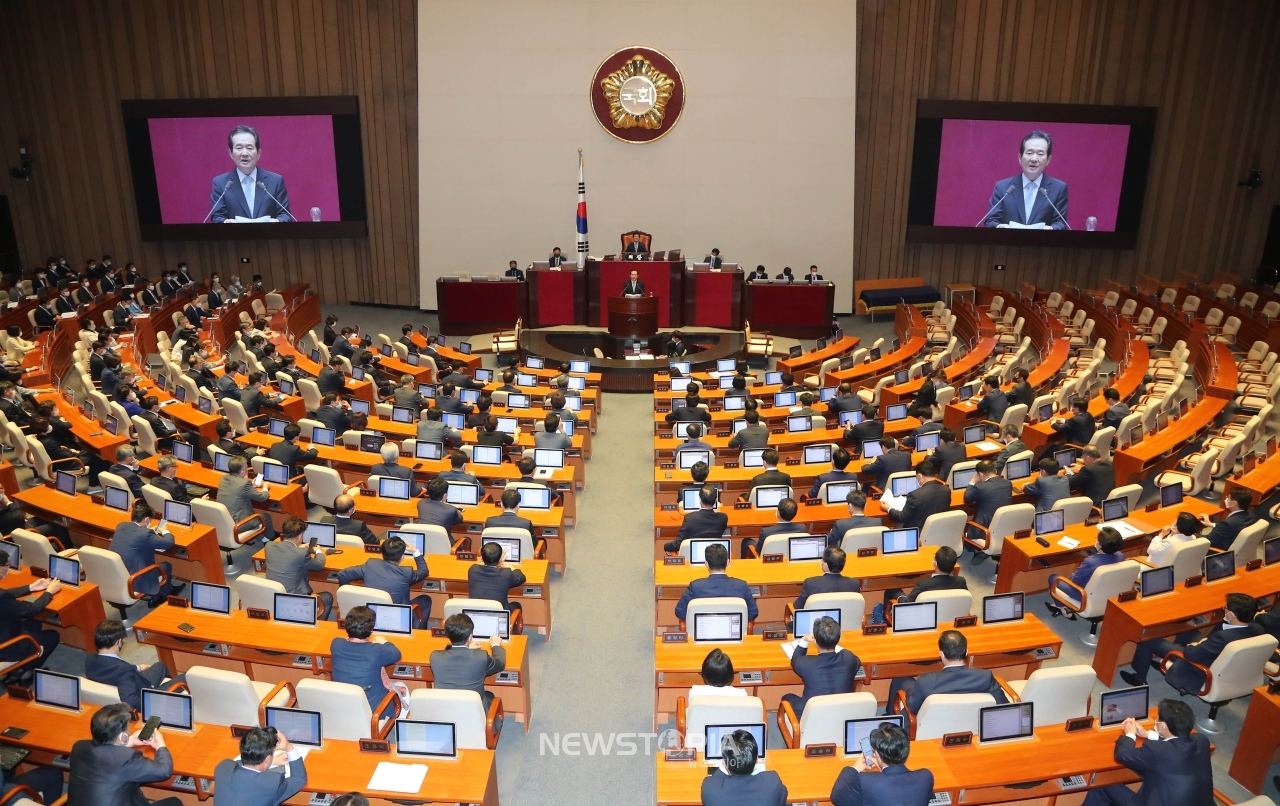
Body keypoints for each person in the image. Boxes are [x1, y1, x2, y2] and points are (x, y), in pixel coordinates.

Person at [1081, 699, 1211, 806]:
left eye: (1158, 719)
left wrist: (1130, 734)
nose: (1156, 720)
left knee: (1101, 786)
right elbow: (1178, 743)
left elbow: (1122, 755)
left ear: (1164, 726)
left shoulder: (1158, 750)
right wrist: (1147, 734)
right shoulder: (1202, 741)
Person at [1121, 593, 1260, 693]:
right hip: (1217, 656)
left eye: (1226, 608)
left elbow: (1191, 654)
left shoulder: (1223, 638)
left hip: (1199, 664)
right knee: (1187, 631)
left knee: (1147, 640)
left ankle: (1139, 678)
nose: (1224, 608)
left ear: (1232, 615)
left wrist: (1194, 646)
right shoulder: (1257, 628)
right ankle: (1167, 660)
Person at [67, 702, 182, 806]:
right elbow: (164, 771)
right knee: (175, 803)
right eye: (127, 729)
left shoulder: (79, 746)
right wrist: (160, 745)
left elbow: (106, 758)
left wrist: (128, 741)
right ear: (122, 736)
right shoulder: (127, 759)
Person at [888, 629, 1008, 714]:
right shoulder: (985, 677)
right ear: (966, 652)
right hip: (971, 728)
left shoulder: (926, 681)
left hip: (931, 728)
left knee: (901, 680)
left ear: (941, 654)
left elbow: (912, 707)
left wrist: (910, 692)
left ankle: (889, 718)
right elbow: (1004, 705)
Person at [336, 535, 431, 628]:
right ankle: (420, 633)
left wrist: (347, 598)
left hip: (369, 615)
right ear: (402, 557)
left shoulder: (370, 565)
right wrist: (415, 551)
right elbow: (424, 571)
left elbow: (342, 574)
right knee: (426, 600)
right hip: (396, 619)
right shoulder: (406, 573)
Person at [830, 722, 934, 806]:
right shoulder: (926, 776)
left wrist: (853, 769)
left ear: (877, 755)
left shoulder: (865, 780)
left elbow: (836, 797)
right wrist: (884, 769)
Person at [86, 620, 182, 710]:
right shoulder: (123, 671)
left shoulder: (90, 658)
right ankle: (168, 698)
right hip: (145, 694)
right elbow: (130, 700)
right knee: (185, 677)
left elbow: (112, 669)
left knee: (161, 666)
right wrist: (153, 705)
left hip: (136, 681)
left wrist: (137, 667)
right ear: (118, 642)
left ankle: (170, 695)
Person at [982, 129, 1069, 229]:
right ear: (1020, 158)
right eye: (1029, 153)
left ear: (1048, 160)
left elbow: (1060, 222)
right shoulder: (1003, 187)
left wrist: (1051, 229)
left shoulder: (1059, 188)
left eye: (1040, 154)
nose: (1034, 159)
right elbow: (991, 220)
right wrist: (999, 227)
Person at [210, 125, 294, 223]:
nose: (245, 153)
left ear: (258, 153)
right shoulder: (221, 183)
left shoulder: (275, 181)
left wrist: (276, 222)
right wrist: (226, 223)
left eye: (249, 148)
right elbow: (217, 216)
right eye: (239, 148)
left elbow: (286, 215)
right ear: (231, 153)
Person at [330, 605, 403, 716]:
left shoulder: (336, 644)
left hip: (345, 709)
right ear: (371, 629)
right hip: (375, 712)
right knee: (403, 688)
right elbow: (396, 654)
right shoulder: (376, 651)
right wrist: (384, 642)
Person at [0, 547, 61, 678]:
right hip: (7, 648)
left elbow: (5, 594)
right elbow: (30, 611)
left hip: (5, 630)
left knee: (35, 623)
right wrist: (49, 592)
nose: (8, 569)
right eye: (7, 565)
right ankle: (23, 671)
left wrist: (31, 587)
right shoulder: (2, 598)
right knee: (53, 636)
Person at [783, 616, 860, 717]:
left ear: (815, 640)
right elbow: (856, 661)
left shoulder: (806, 664)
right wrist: (832, 640)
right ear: (839, 638)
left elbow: (795, 659)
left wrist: (804, 640)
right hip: (842, 714)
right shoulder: (849, 658)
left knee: (787, 697)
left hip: (812, 716)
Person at [212, 725, 307, 806]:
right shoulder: (272, 783)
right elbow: (299, 778)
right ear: (267, 759)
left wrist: (272, 760)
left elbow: (237, 763)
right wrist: (289, 748)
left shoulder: (223, 767)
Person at [1045, 526, 1126, 618]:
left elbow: (1074, 580)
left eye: (1097, 539)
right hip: (1107, 592)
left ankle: (1061, 608)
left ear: (1100, 545)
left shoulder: (1090, 562)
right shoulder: (1120, 556)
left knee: (1053, 578)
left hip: (1083, 594)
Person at [430, 613, 506, 711]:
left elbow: (447, 653)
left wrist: (466, 649)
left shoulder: (435, 657)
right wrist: (495, 645)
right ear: (470, 636)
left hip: (446, 711)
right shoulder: (480, 657)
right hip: (474, 714)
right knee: (489, 695)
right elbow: (500, 664)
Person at [110, 502, 182, 604]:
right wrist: (165, 531)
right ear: (147, 519)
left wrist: (149, 532)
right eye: (150, 521)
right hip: (135, 578)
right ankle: (163, 595)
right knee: (166, 566)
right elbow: (169, 543)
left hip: (118, 573)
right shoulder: (144, 534)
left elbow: (135, 538)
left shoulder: (121, 526)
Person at [266, 516, 333, 619]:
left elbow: (286, 555)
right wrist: (318, 551)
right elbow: (319, 565)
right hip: (294, 601)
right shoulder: (301, 553)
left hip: (274, 597)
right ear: (300, 536)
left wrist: (296, 548)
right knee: (327, 597)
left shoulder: (269, 546)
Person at [674, 543, 757, 623]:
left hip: (703, 633)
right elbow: (753, 612)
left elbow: (680, 611)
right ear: (728, 562)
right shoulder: (741, 586)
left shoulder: (695, 587)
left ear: (706, 564)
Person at [701, 730, 787, 806]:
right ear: (756, 760)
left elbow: (715, 780)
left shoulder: (710, 788)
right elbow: (781, 799)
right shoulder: (772, 782)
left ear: (724, 763)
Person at [218, 455, 274, 541]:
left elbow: (236, 488)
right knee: (266, 517)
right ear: (242, 472)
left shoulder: (223, 479)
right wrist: (265, 487)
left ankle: (261, 539)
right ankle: (269, 541)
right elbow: (262, 498)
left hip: (224, 522)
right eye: (246, 468)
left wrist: (250, 484)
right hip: (239, 524)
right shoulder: (244, 484)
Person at [886, 461, 950, 530]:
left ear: (919, 476)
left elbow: (902, 517)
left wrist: (889, 508)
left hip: (918, 533)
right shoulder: (946, 491)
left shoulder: (915, 495)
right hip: (938, 530)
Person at [664, 486, 729, 553]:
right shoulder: (723, 518)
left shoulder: (690, 518)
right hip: (714, 554)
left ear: (700, 500)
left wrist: (666, 546)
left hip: (693, 553)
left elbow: (678, 544)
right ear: (716, 501)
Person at [470, 540, 527, 614]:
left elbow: (479, 564)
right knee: (516, 605)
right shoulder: (506, 574)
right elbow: (521, 577)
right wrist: (507, 565)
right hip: (499, 614)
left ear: (482, 557)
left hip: (476, 613)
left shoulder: (473, 570)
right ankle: (511, 625)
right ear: (500, 558)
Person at [795, 547, 861, 607]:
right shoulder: (855, 584)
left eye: (823, 560)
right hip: (844, 619)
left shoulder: (811, 583)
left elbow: (798, 606)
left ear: (825, 565)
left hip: (819, 620)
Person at [1200, 486, 1259, 551]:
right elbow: (1229, 529)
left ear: (1234, 503)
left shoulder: (1228, 523)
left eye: (1228, 498)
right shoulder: (1251, 516)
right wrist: (1211, 524)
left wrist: (1191, 534)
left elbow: (1208, 540)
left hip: (1217, 549)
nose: (1226, 499)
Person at [963, 459, 1012, 533]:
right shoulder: (1008, 483)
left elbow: (967, 499)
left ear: (981, 474)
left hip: (983, 530)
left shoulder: (980, 487)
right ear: (995, 470)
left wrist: (972, 482)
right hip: (1003, 526)